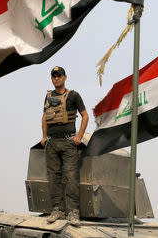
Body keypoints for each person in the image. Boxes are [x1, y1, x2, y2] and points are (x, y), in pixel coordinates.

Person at [41, 66, 89, 226]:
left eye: (59, 76)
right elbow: (44, 117)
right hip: (52, 142)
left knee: (70, 177)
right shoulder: (48, 96)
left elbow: (85, 115)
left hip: (69, 142)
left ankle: (73, 212)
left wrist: (79, 136)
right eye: (54, 76)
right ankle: (57, 209)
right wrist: (44, 137)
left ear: (65, 77)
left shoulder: (74, 95)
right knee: (54, 177)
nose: (56, 79)